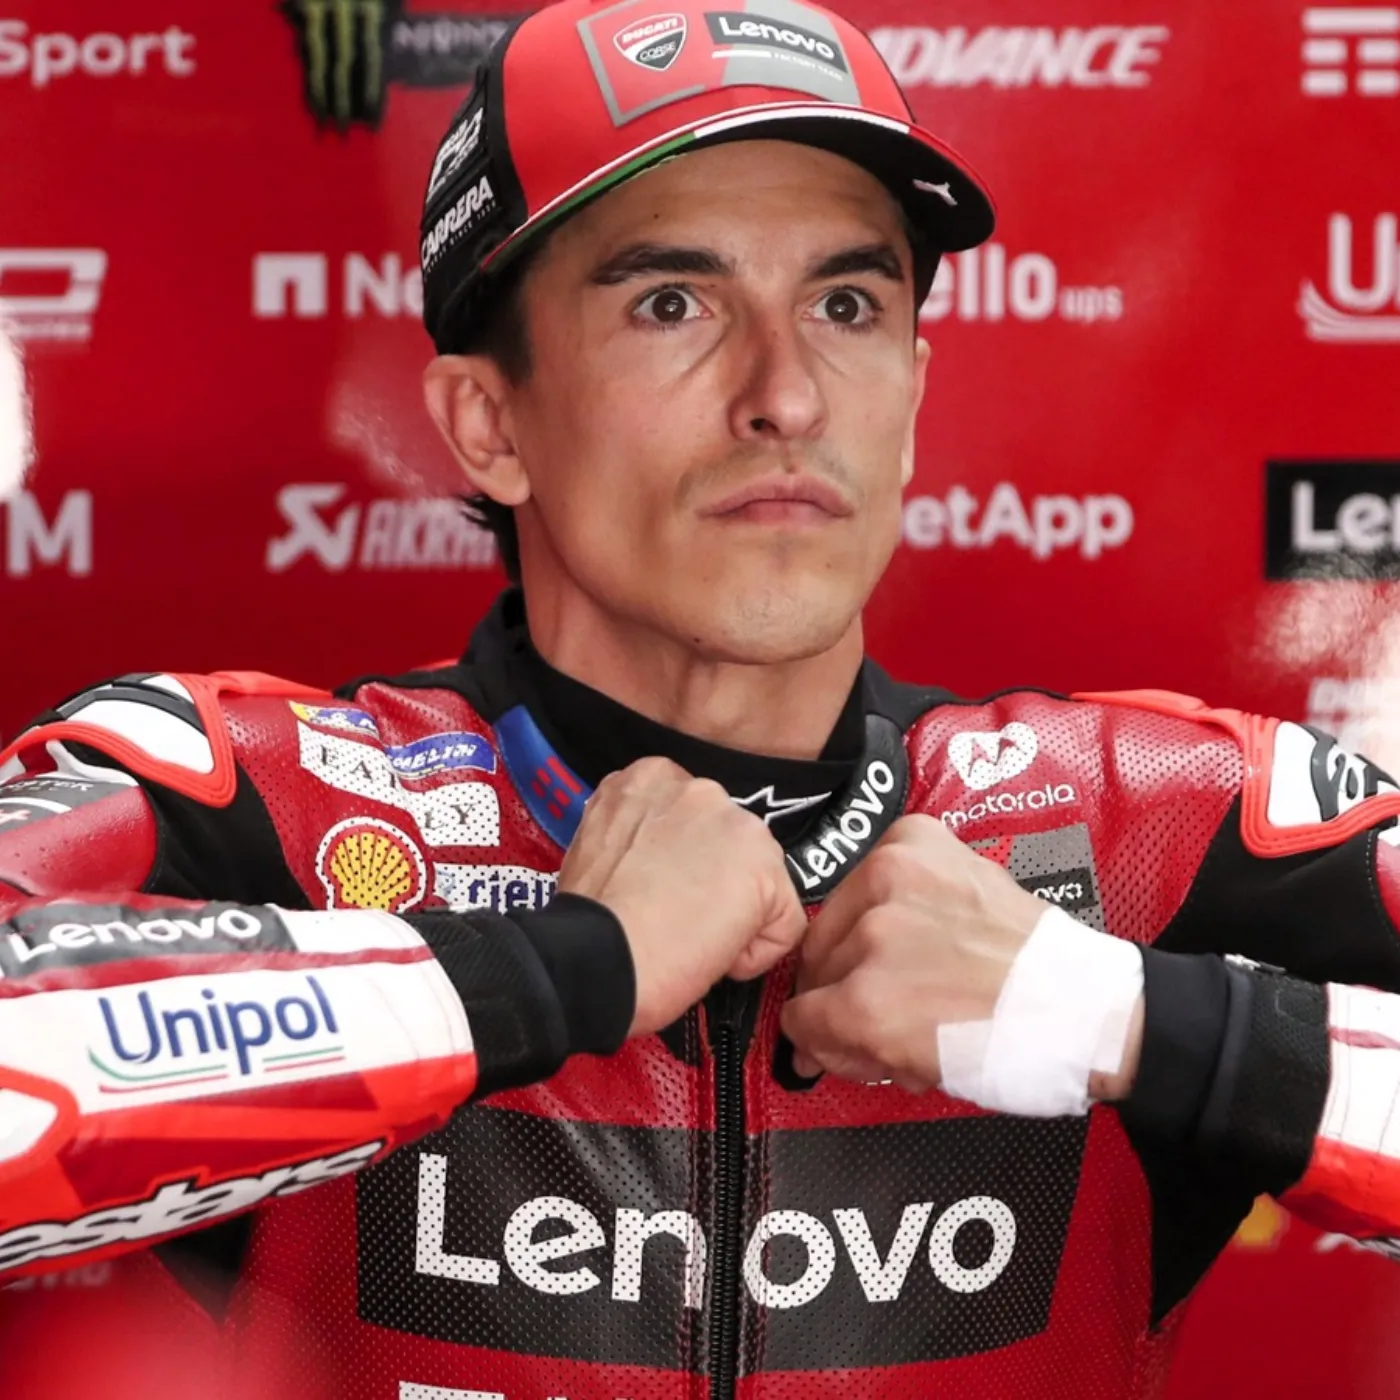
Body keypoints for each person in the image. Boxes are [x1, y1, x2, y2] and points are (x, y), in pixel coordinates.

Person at [3, 1, 1400, 1396]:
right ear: (490, 423)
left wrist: (1113, 1014)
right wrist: (558, 971)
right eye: (672, 303)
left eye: (846, 306)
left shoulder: (1157, 822)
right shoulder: (256, 795)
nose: (787, 394)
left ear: (912, 397)